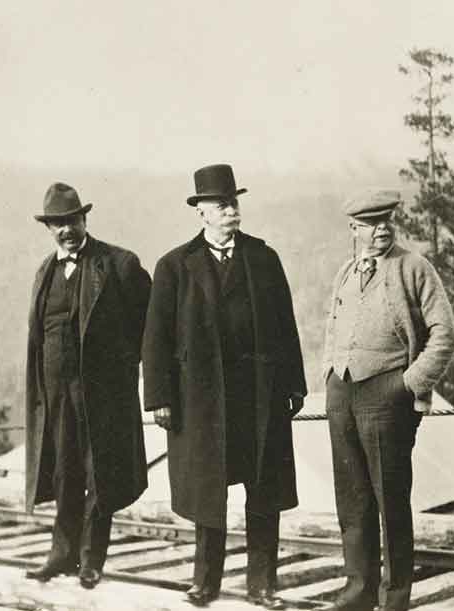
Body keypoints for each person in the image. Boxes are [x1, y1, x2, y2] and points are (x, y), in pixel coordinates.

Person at [142, 164, 306, 609]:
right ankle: (205, 581)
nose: (231, 211)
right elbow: (155, 338)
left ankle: (262, 583)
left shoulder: (262, 258)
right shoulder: (175, 266)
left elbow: (285, 327)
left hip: (259, 395)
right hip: (202, 401)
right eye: (221, 205)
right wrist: (159, 398)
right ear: (202, 213)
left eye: (234, 203)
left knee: (263, 489)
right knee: (207, 490)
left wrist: (294, 384)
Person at [322, 189, 454, 611]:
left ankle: (394, 599)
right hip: (343, 392)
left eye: (386, 221)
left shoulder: (413, 268)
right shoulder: (346, 270)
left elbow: (445, 335)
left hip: (387, 393)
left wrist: (409, 383)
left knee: (390, 501)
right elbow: (333, 328)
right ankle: (357, 595)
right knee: (352, 499)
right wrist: (330, 374)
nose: (381, 230)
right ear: (354, 229)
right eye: (370, 223)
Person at [24, 182, 152, 589]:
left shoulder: (118, 265)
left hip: (103, 395)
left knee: (101, 474)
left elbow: (150, 327)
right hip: (57, 393)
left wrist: (123, 371)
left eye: (72, 220)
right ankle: (61, 554)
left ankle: (90, 560)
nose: (66, 230)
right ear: (49, 228)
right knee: (64, 471)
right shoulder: (44, 273)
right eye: (57, 224)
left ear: (85, 218)